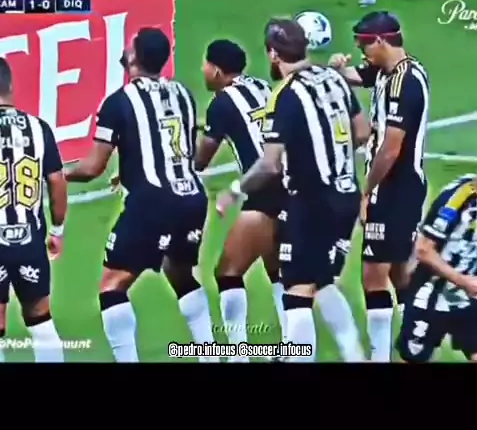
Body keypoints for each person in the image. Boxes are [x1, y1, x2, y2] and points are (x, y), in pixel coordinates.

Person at [217, 18, 367, 363]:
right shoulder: (333, 79)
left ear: (273, 54)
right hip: (346, 196)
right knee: (321, 278)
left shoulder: (284, 95)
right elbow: (361, 131)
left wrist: (235, 190)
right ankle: (355, 355)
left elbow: (270, 164)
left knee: (297, 290)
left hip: (312, 203)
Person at [66, 28, 218, 363]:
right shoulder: (182, 93)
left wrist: (57, 174)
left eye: (130, 44)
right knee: (180, 274)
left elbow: (92, 168)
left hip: (153, 203)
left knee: (112, 285)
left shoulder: (118, 102)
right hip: (192, 198)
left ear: (133, 57)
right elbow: (174, 147)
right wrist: (131, 167)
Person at [329, 11, 430, 361]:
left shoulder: (405, 84)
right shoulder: (392, 71)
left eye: (364, 46)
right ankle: (419, 340)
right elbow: (358, 76)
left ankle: (380, 356)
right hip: (402, 188)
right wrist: (338, 69)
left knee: (373, 275)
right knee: (400, 273)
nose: (362, 53)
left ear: (381, 41)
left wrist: (366, 190)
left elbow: (390, 148)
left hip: (394, 188)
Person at [194, 39, 287, 362]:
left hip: (265, 189)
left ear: (217, 70)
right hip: (295, 183)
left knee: (228, 273)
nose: (203, 71)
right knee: (278, 268)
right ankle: (291, 346)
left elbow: (200, 160)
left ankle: (237, 354)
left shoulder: (222, 103)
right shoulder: (261, 86)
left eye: (206, 65)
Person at [0, 58, 67, 363]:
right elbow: (57, 181)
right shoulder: (38, 128)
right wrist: (57, 230)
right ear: (10, 85)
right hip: (29, 241)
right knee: (41, 322)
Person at [396, 174, 477, 363]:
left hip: (472, 298)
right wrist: (463, 281)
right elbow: (424, 249)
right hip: (432, 296)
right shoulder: (456, 198)